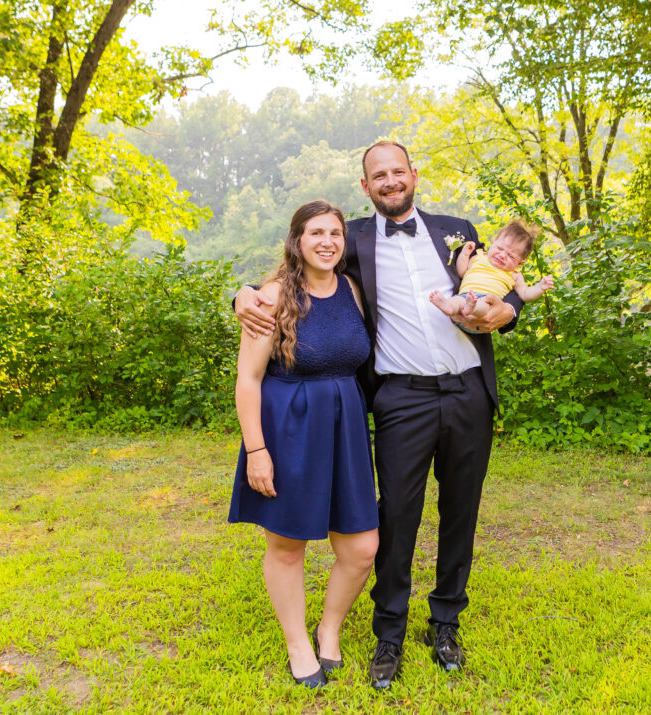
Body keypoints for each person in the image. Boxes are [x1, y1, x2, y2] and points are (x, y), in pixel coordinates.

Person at [235, 141, 523, 689]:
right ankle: (388, 632)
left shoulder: (456, 229)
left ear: (414, 176)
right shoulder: (354, 241)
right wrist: (241, 293)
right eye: (377, 175)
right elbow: (293, 272)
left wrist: (511, 311)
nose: (390, 181)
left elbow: (504, 277)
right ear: (366, 188)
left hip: (468, 392)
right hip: (400, 398)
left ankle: (445, 623)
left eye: (398, 171)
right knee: (394, 519)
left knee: (461, 513)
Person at [228, 199, 379, 689]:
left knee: (361, 547)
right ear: (297, 240)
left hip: (346, 429)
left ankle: (328, 627)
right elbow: (248, 380)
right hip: (289, 428)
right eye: (316, 233)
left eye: (335, 233)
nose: (327, 242)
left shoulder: (353, 289)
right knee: (288, 543)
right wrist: (257, 450)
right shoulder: (271, 297)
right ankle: (298, 643)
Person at [429, 220, 553, 327]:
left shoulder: (514, 274)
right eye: (499, 248)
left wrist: (540, 287)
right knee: (457, 300)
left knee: (483, 306)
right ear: (493, 242)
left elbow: (525, 294)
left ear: (520, 263)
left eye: (511, 256)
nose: (502, 255)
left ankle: (472, 307)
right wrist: (465, 254)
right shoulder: (478, 258)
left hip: (487, 306)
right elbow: (462, 273)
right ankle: (449, 307)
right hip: (466, 297)